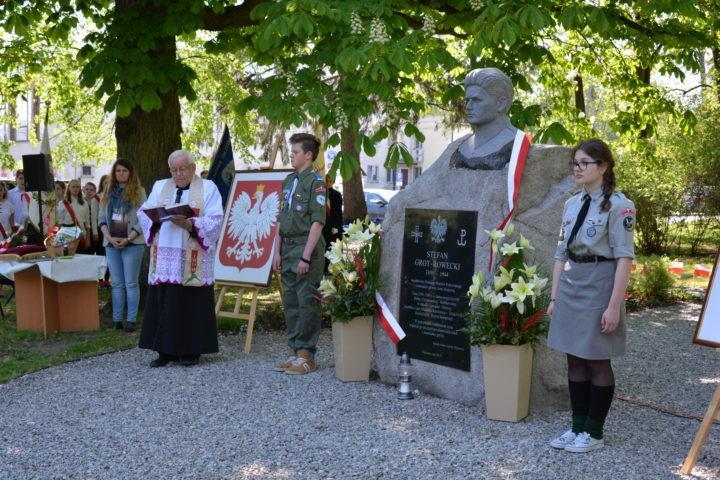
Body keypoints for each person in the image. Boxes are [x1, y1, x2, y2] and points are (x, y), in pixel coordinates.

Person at [547, 138, 635, 453]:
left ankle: (594, 433)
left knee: (596, 359)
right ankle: (577, 427)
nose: (578, 168)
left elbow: (624, 257)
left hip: (600, 282)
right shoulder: (572, 203)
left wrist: (614, 306)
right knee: (573, 358)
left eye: (585, 163)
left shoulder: (619, 205)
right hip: (572, 284)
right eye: (575, 163)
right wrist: (554, 298)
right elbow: (561, 253)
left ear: (604, 166)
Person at [137, 150, 223, 367]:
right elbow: (143, 212)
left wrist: (191, 224)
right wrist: (154, 218)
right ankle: (165, 352)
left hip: (191, 256)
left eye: (182, 169)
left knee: (190, 303)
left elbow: (215, 219)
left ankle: (191, 351)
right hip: (165, 256)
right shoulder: (160, 186)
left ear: (193, 168)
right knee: (164, 301)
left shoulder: (208, 187)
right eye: (174, 170)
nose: (178, 174)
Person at [272, 133, 326, 375]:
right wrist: (276, 253)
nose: (291, 155)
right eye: (290, 151)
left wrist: (306, 256)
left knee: (307, 302)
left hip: (307, 247)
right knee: (291, 302)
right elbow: (280, 220)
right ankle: (295, 352)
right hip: (287, 247)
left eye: (295, 152)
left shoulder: (316, 183)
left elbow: (317, 222)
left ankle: (307, 355)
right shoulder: (288, 181)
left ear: (308, 155)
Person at [98, 160, 147, 332]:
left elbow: (144, 219)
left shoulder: (139, 192)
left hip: (132, 242)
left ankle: (131, 320)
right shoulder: (107, 191)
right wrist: (110, 238)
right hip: (111, 243)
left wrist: (129, 238)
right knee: (117, 283)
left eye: (124, 170)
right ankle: (117, 319)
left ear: (130, 173)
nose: (121, 173)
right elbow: (101, 219)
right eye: (118, 170)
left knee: (131, 283)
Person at [451, 68, 518, 170]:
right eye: (467, 100)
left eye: (476, 100)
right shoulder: (460, 147)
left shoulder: (518, 144)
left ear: (500, 103)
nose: (468, 106)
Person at [57, 179, 91, 249]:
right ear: (69, 188)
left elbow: (87, 224)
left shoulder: (84, 202)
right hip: (67, 236)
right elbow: (60, 223)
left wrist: (88, 239)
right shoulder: (63, 203)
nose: (75, 189)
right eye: (73, 187)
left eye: (77, 187)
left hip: (81, 235)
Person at [322, 174, 343, 274]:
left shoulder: (336, 195)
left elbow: (338, 212)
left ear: (333, 182)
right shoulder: (320, 193)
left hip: (333, 226)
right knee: (323, 247)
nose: (328, 183)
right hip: (323, 226)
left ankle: (334, 268)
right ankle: (324, 268)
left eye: (330, 181)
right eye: (326, 180)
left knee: (332, 247)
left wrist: (336, 226)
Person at [83, 182, 101, 254]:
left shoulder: (98, 201)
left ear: (95, 191)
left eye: (91, 190)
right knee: (88, 251)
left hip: (97, 228)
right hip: (85, 230)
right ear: (83, 190)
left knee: (99, 249)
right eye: (87, 189)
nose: (89, 191)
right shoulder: (81, 201)